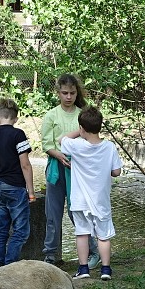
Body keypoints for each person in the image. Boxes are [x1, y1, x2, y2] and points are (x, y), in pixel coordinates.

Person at [58, 106, 123, 281]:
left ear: (82, 128)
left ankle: (83, 268)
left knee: (82, 233)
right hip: (101, 200)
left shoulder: (76, 146)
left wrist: (78, 132)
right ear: (100, 126)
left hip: (79, 200)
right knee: (103, 235)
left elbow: (60, 140)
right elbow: (116, 172)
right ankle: (106, 269)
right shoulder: (109, 147)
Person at [41, 73, 98, 267]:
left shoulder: (82, 113)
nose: (68, 97)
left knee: (78, 212)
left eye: (72, 93)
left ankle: (92, 251)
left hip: (77, 169)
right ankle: (50, 255)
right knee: (53, 214)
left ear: (76, 93)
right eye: (64, 93)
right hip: (56, 169)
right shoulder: (51, 115)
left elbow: (90, 139)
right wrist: (58, 155)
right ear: (58, 93)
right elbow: (46, 143)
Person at [0, 97, 35, 268]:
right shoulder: (17, 134)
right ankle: (10, 265)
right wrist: (31, 192)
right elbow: (25, 164)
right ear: (15, 118)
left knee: (1, 229)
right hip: (15, 186)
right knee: (21, 231)